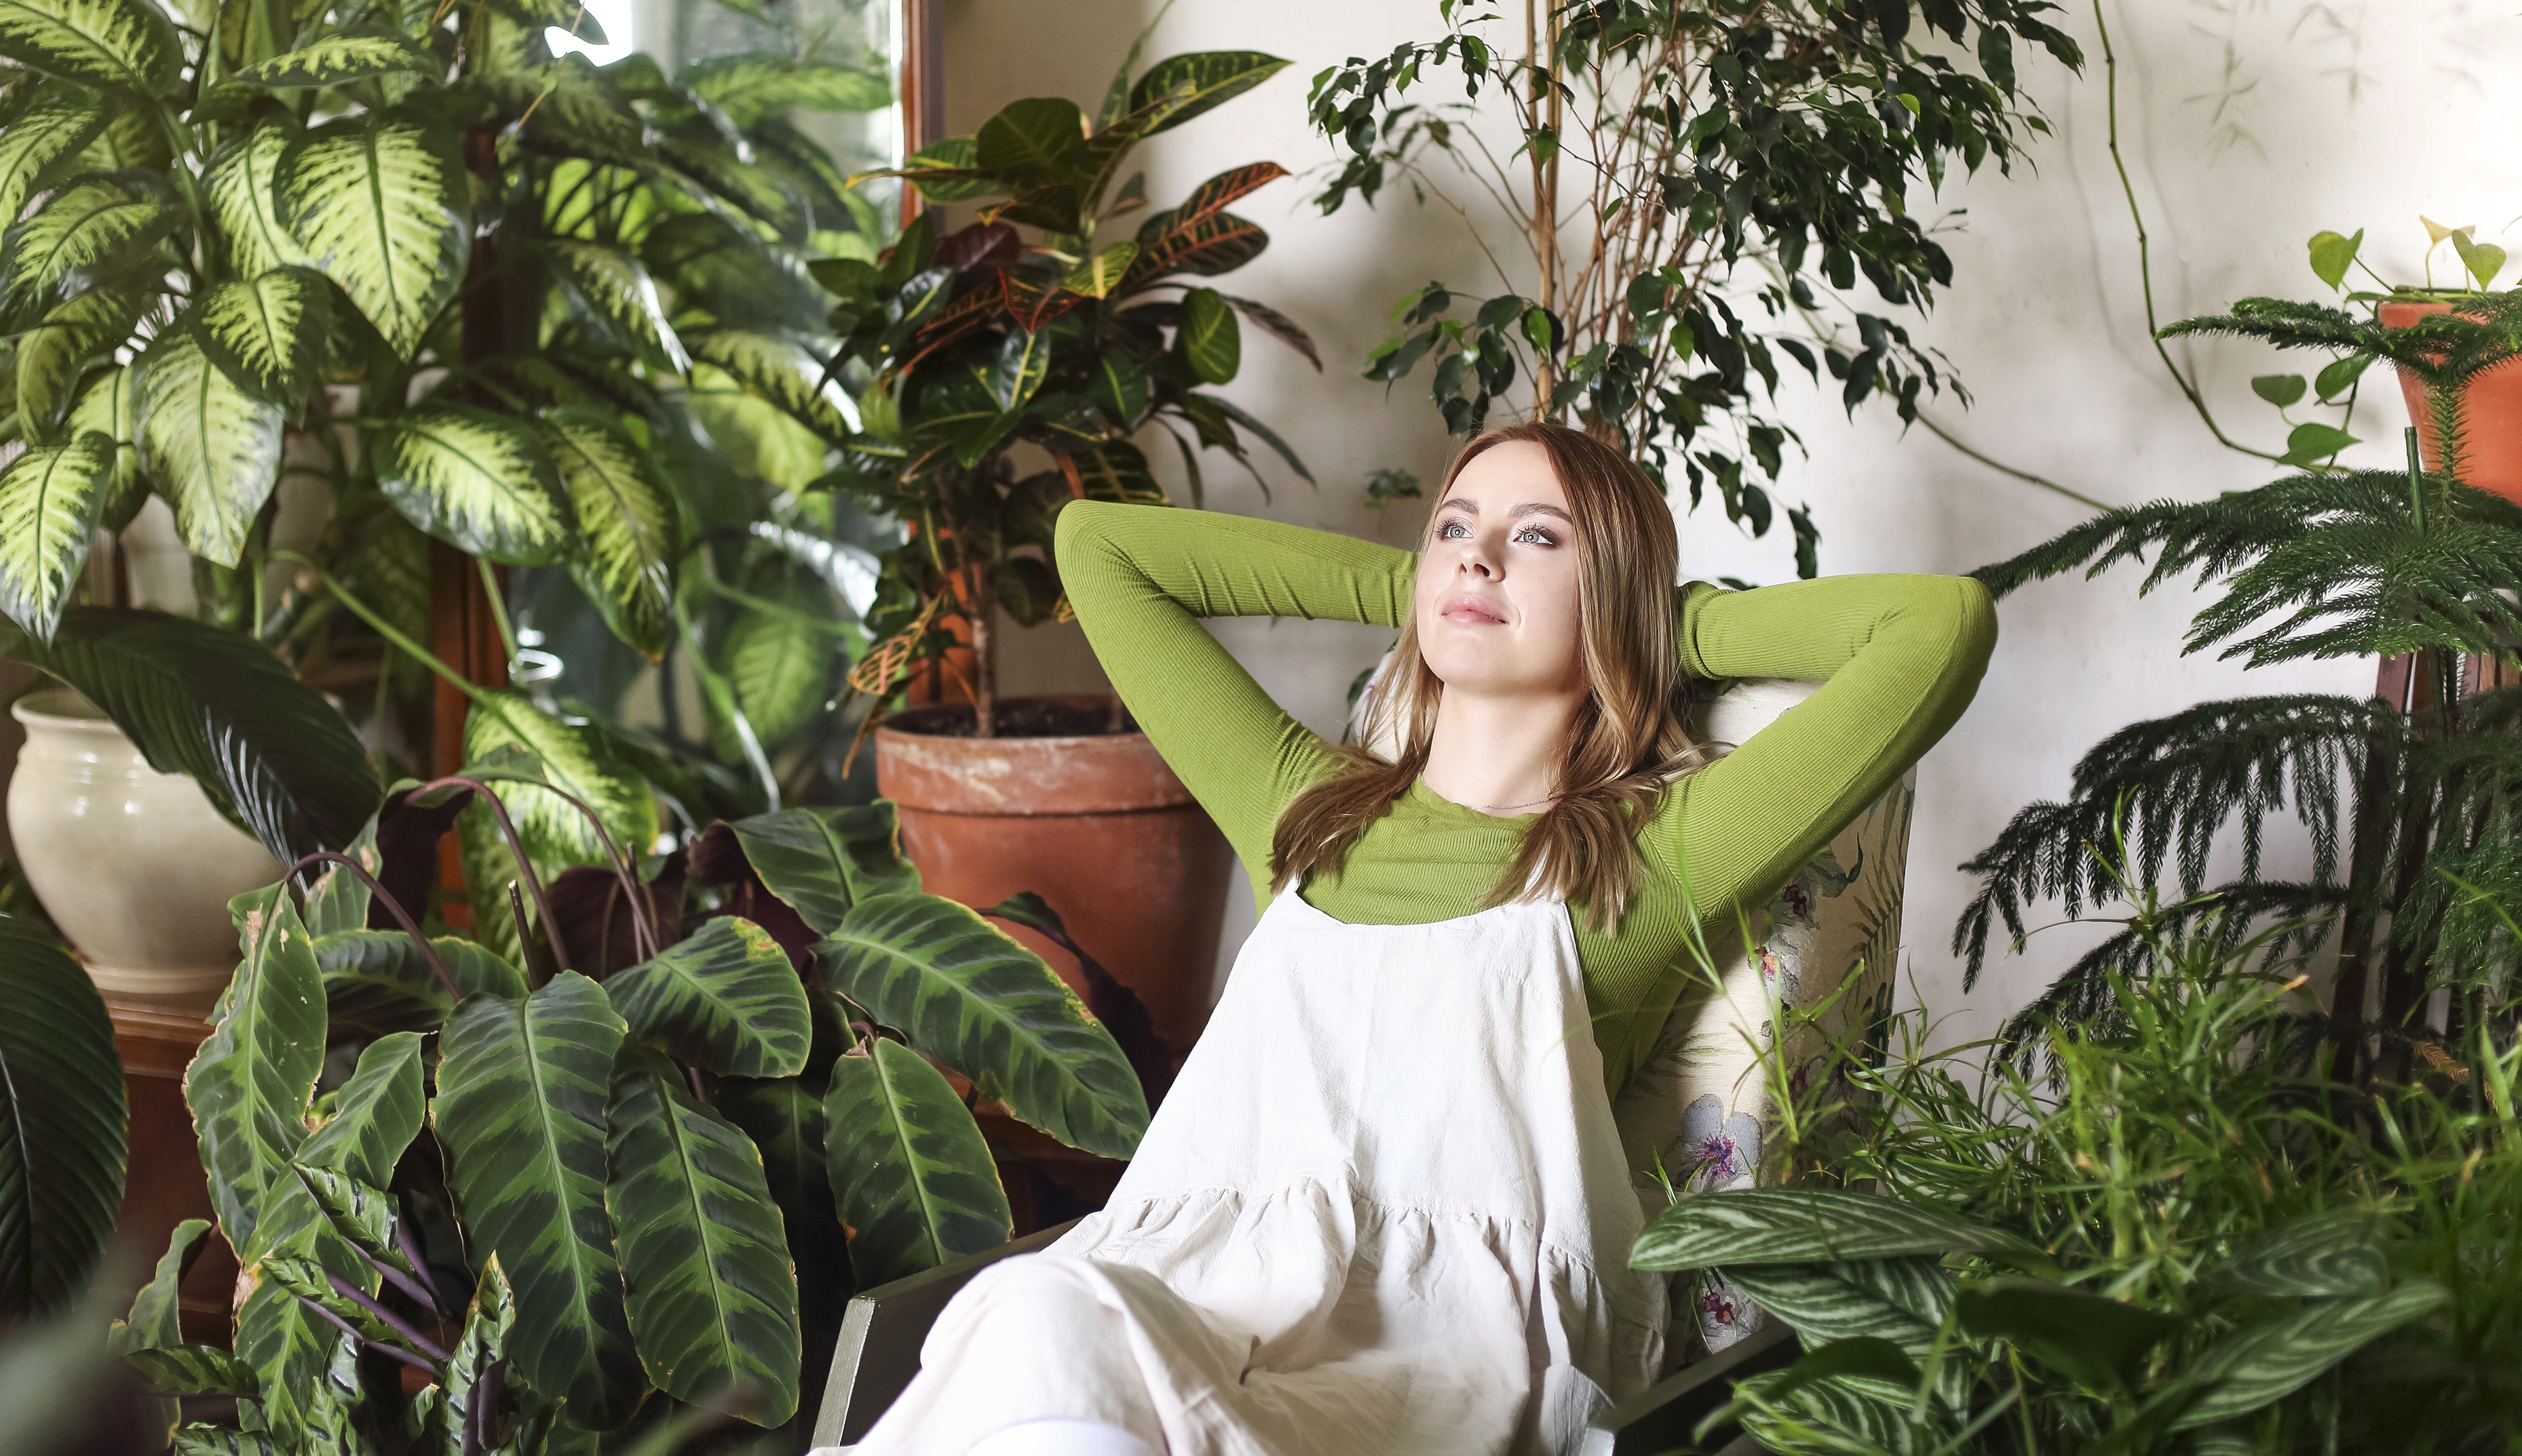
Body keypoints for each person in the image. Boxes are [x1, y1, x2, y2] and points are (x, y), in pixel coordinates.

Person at [841, 422, 1995, 1456]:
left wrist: (1653, 617)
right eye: (1454, 526)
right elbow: (1099, 548)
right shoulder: (1305, 810)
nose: (1477, 557)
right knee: (1036, 1317)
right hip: (1193, 1292)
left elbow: (1934, 624)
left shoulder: (1646, 861)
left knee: (1044, 1327)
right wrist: (1430, 580)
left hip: (1433, 1358)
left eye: (1538, 538)